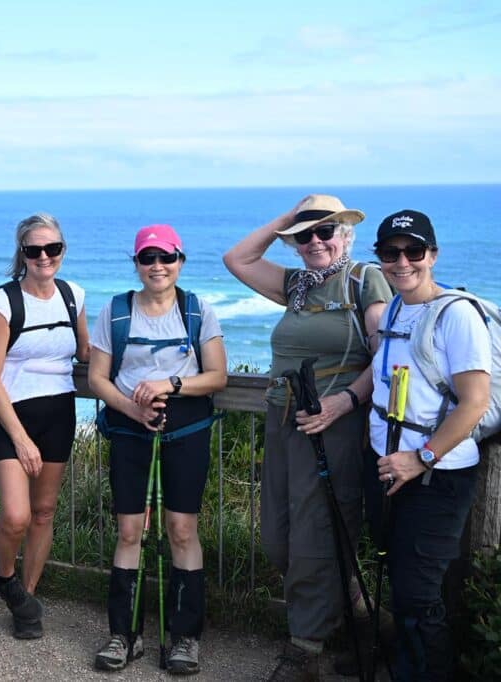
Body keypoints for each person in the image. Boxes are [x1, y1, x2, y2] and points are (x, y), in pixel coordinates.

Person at [223, 195, 391, 680]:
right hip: (283, 421)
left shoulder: (364, 279)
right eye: (306, 235)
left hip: (334, 425)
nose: (316, 241)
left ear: (345, 235)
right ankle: (366, 618)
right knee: (277, 536)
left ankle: (304, 650)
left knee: (317, 534)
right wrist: (286, 221)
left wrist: (346, 402)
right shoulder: (296, 285)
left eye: (326, 231)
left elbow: (383, 354)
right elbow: (237, 259)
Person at [88, 224, 227, 675]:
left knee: (181, 529)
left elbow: (218, 376)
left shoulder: (197, 310)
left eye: (166, 258)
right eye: (147, 258)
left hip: (186, 428)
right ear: (136, 264)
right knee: (130, 531)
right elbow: (97, 378)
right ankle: (123, 634)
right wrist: (133, 409)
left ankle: (185, 637)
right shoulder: (115, 311)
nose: (157, 266)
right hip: (131, 429)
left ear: (180, 262)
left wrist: (171, 384)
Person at [368, 211, 491, 681]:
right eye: (390, 253)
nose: (402, 262)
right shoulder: (397, 307)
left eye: (413, 251)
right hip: (390, 464)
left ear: (432, 256)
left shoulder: (456, 314)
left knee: (419, 592)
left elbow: (474, 401)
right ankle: (406, 668)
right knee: (402, 584)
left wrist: (420, 459)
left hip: (437, 474)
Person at [0, 213, 90, 639]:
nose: (44, 257)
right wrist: (21, 439)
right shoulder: (2, 303)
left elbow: (82, 351)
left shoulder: (72, 295)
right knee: (16, 516)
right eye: (34, 250)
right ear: (22, 254)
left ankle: (24, 599)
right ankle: (4, 574)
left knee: (44, 512)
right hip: (12, 415)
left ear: (62, 251)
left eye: (52, 248)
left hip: (59, 410)